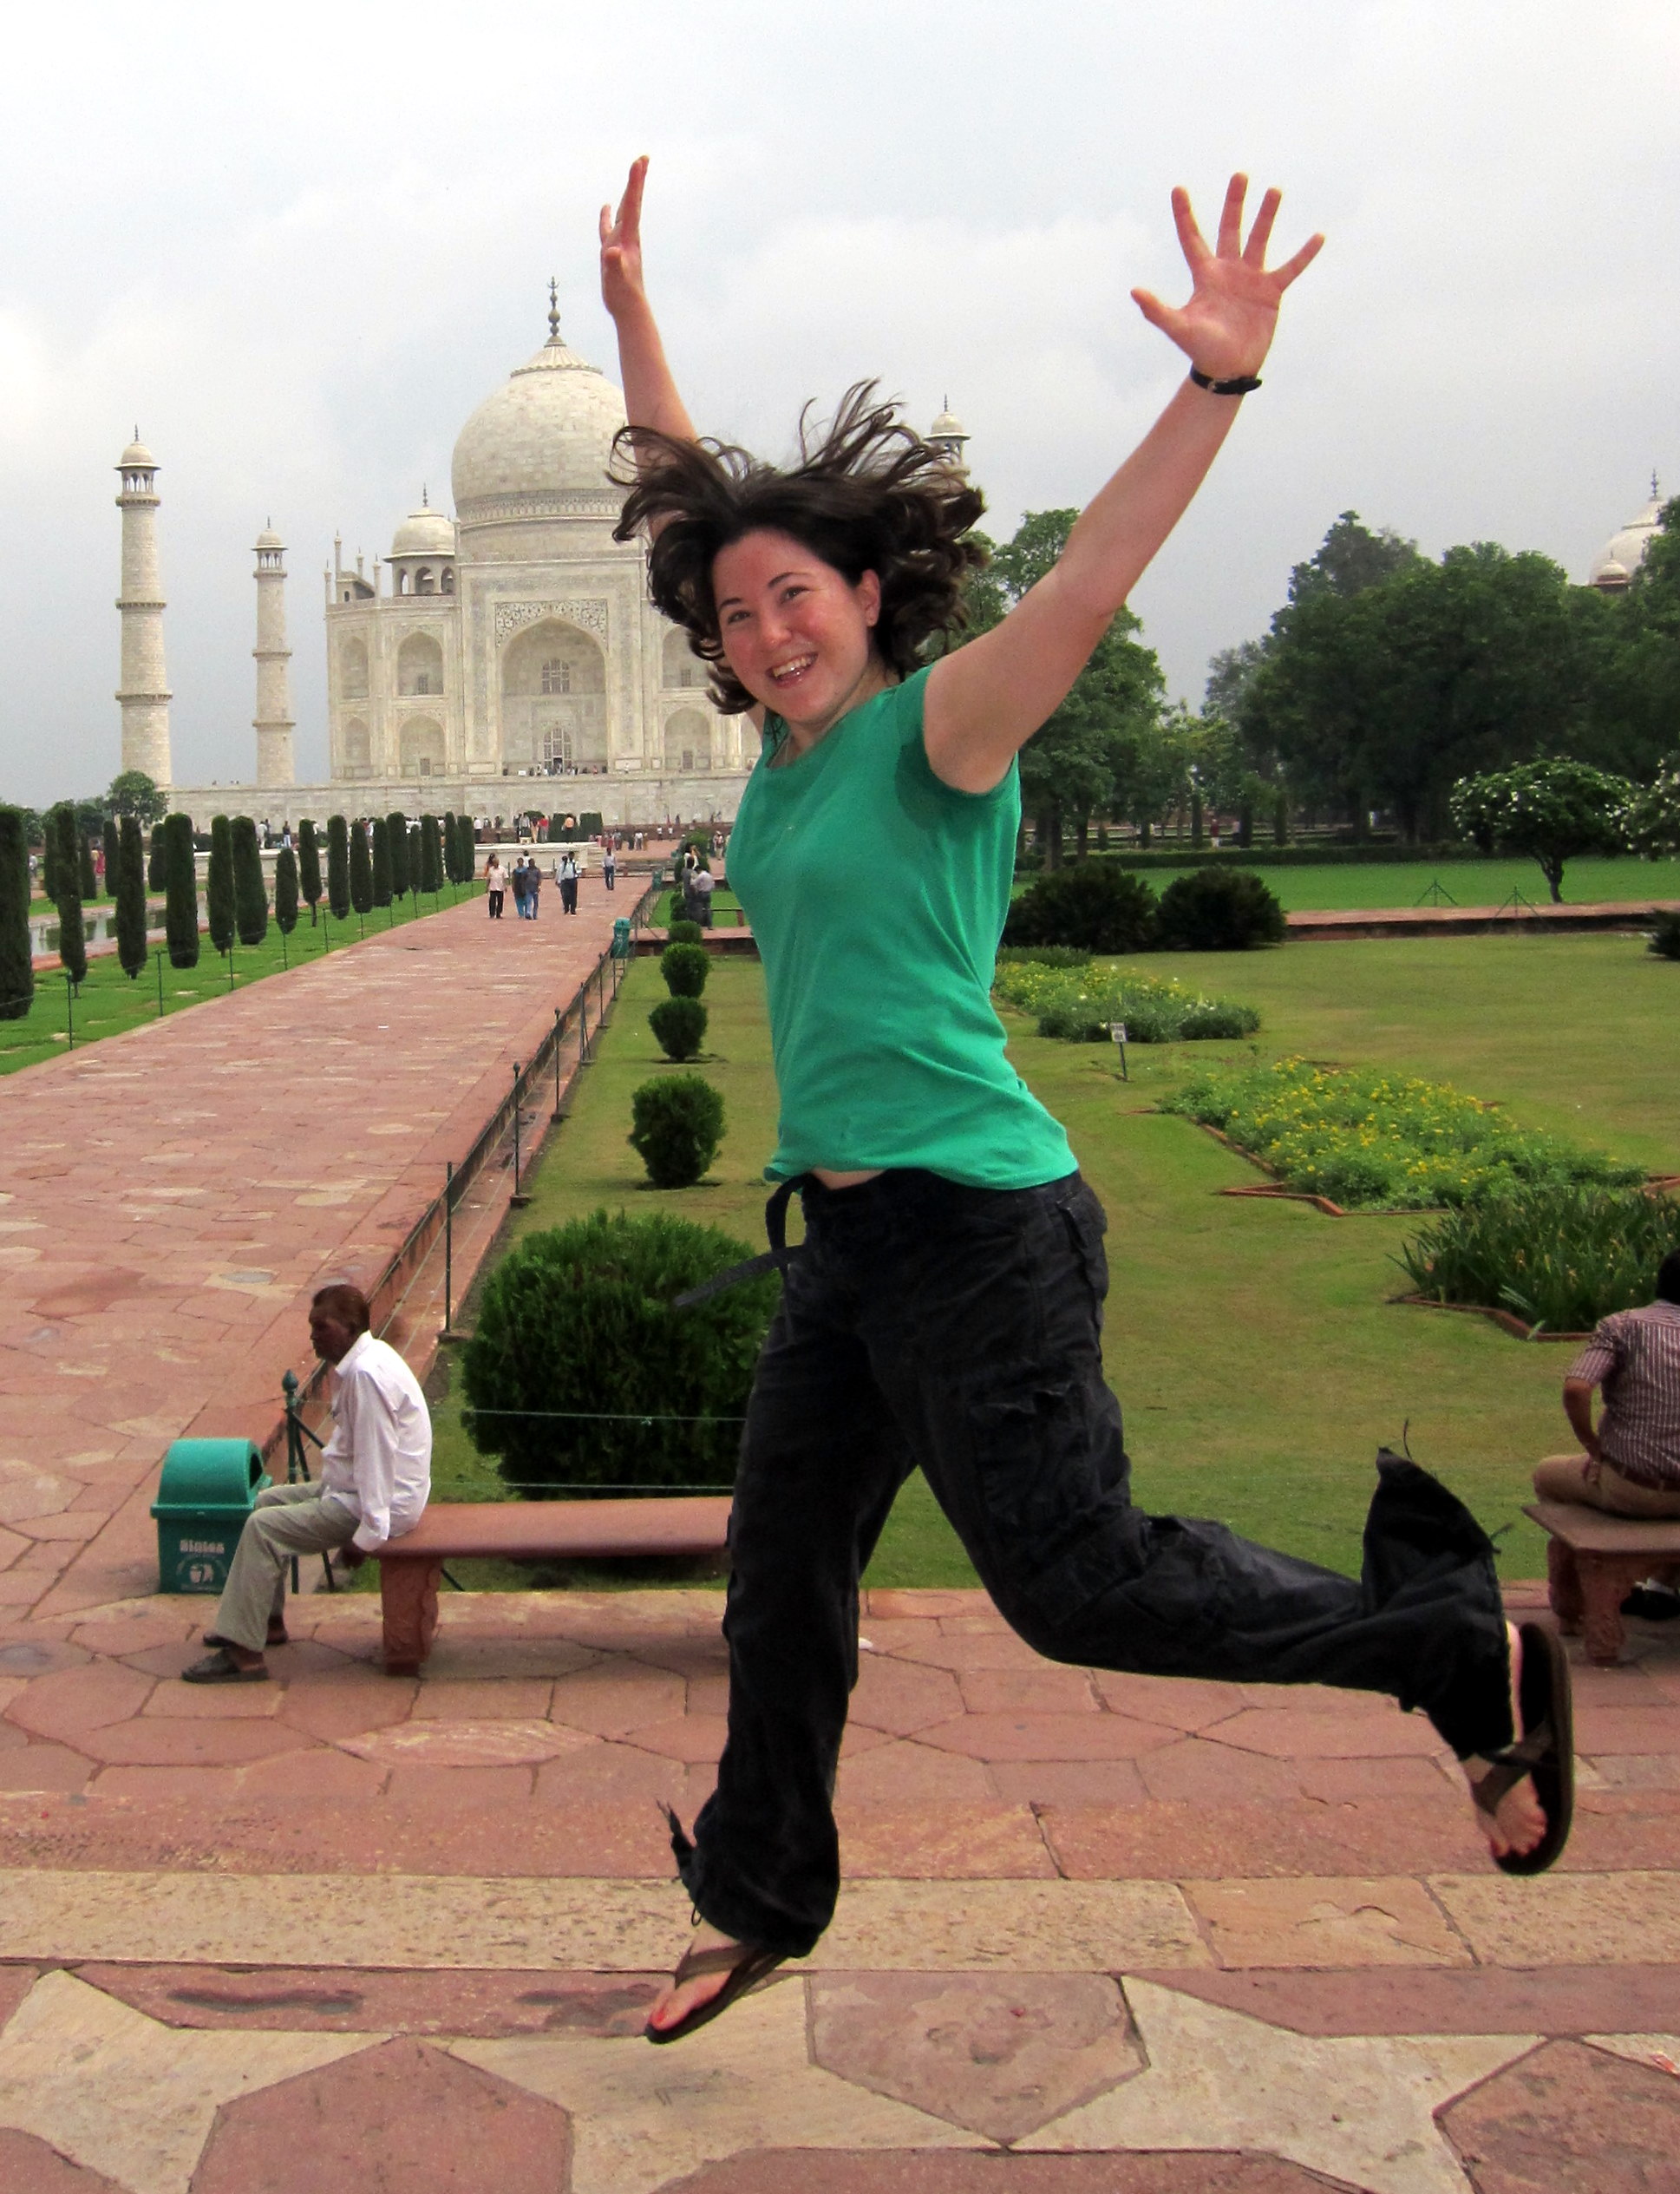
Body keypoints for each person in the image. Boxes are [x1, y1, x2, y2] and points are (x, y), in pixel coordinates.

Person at [600, 154, 1575, 2045]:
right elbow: (690, 497)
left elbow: (1093, 570)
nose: (763, 630)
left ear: (867, 596)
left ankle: (1451, 1642)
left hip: (976, 1229)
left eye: (792, 599)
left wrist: (1212, 381)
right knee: (779, 1569)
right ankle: (756, 1886)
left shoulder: (938, 724)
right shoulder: (785, 762)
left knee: (1079, 1584)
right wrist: (634, 308)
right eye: (733, 615)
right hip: (848, 1245)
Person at [180, 1286, 431, 1683]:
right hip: (355, 1491)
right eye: (312, 1326)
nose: (313, 1336)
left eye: (321, 1327)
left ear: (349, 1327)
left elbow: (377, 1458)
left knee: (262, 1531)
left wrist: (366, 1537)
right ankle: (265, 1622)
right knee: (265, 1504)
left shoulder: (367, 1375)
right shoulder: (360, 1361)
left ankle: (244, 1655)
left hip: (377, 1504)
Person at [1534, 1248, 1680, 1523]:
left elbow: (1576, 1389)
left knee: (1546, 1475)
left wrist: (1591, 1444)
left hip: (1634, 1489)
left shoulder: (1623, 1326)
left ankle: (1579, 1560)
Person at [559, 848, 580, 914]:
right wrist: (559, 881)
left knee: (573, 895)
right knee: (566, 895)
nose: (571, 857)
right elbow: (561, 872)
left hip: (573, 880)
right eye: (570, 856)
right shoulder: (565, 863)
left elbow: (579, 871)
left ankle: (573, 909)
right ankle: (566, 907)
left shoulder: (575, 863)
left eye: (572, 856)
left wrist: (577, 873)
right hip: (566, 881)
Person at [485, 854, 507, 920]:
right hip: (493, 888)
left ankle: (498, 914)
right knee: (492, 902)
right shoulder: (491, 869)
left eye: (496, 863)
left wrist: (505, 886)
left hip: (500, 887)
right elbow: (488, 878)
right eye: (494, 863)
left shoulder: (502, 869)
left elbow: (505, 878)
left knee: (500, 902)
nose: (495, 864)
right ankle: (492, 913)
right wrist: (487, 887)